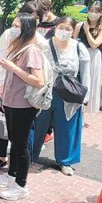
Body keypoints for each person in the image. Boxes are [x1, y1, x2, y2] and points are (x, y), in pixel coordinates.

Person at [0, 13, 44, 200]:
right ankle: (12, 174)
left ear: (27, 29)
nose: (13, 29)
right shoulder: (18, 47)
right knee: (14, 141)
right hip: (12, 102)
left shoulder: (32, 50)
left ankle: (21, 185)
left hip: (24, 105)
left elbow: (39, 80)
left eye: (17, 26)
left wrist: (14, 68)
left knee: (20, 145)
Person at [32, 17, 90, 176]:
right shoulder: (45, 44)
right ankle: (30, 153)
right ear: (55, 27)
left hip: (69, 93)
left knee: (67, 127)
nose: (64, 32)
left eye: (68, 29)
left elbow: (85, 74)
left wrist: (84, 96)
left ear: (73, 31)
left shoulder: (79, 48)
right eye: (61, 27)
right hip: (46, 91)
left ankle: (65, 161)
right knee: (38, 123)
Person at [74, 1, 102, 114]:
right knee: (78, 81)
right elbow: (73, 41)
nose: (92, 14)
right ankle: (77, 108)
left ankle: (85, 110)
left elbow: (94, 45)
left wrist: (87, 30)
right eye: (91, 11)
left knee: (90, 82)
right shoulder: (79, 25)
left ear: (101, 13)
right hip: (79, 54)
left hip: (93, 56)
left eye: (96, 11)